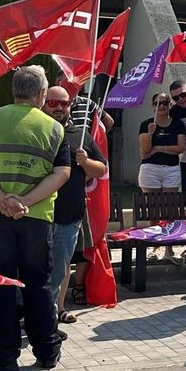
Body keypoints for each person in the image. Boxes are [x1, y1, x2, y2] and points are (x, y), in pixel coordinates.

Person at [0, 65, 71, 371]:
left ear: (14, 91)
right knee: (38, 285)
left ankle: (4, 356)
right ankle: (47, 350)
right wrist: (25, 201)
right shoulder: (54, 128)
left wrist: (1, 199)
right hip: (36, 217)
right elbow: (62, 173)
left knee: (0, 286)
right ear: (40, 94)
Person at [42, 87, 107, 325]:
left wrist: (85, 161)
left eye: (64, 104)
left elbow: (101, 168)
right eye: (52, 103)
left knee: (62, 265)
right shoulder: (37, 132)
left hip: (69, 215)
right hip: (37, 214)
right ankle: (38, 311)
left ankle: (57, 309)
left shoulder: (81, 135)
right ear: (43, 104)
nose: (59, 108)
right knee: (38, 267)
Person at [138, 92, 186, 193]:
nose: (161, 106)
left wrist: (157, 148)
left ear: (170, 105)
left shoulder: (178, 124)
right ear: (153, 106)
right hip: (150, 168)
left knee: (169, 205)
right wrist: (150, 133)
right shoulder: (146, 124)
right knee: (152, 205)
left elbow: (180, 148)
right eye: (158, 103)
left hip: (172, 169)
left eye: (165, 103)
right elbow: (145, 150)